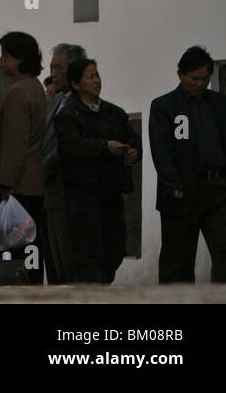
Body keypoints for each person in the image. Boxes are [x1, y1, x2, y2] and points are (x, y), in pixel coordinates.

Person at [149, 45, 226, 282]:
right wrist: (172, 182)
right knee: (178, 262)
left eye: (205, 78)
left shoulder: (218, 103)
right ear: (181, 75)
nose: (200, 84)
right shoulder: (164, 106)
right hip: (182, 191)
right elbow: (161, 149)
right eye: (195, 78)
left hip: (219, 189)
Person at [54, 58, 141, 283]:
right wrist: (104, 147)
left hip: (111, 194)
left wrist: (133, 151)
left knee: (113, 251)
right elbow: (72, 147)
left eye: (97, 75)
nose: (96, 81)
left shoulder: (114, 113)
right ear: (75, 83)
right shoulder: (68, 116)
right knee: (87, 256)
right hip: (82, 197)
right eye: (90, 77)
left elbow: (131, 138)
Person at [0, 31, 47, 283]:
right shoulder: (33, 88)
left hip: (16, 186)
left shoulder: (19, 92)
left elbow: (15, 142)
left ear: (19, 59)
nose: (1, 60)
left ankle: (18, 291)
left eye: (5, 55)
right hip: (29, 183)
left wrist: (7, 182)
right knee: (27, 244)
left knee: (14, 248)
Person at [43, 43, 86, 285]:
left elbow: (63, 148)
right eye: (52, 67)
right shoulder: (57, 100)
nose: (54, 73)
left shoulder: (79, 105)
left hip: (67, 195)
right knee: (55, 269)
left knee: (70, 267)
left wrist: (40, 170)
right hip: (50, 196)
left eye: (59, 67)